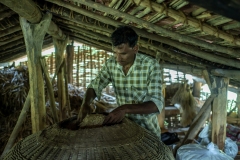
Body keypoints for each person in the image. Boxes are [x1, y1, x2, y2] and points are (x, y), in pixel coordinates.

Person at [78, 25, 163, 138]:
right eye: (115, 53)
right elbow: (95, 85)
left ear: (135, 48)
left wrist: (124, 109)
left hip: (147, 131)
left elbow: (156, 104)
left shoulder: (150, 66)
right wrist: (86, 103)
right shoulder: (111, 64)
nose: (118, 59)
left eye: (123, 54)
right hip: (124, 128)